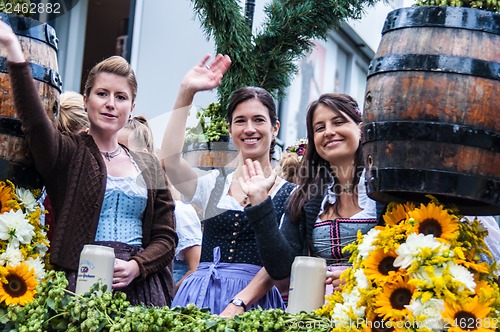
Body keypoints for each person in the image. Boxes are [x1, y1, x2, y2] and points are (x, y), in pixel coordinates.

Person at [0, 20, 177, 306]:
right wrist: (14, 52)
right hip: (80, 285)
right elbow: (34, 121)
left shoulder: (150, 165)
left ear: (131, 108)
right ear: (86, 100)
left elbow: (166, 237)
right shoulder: (68, 152)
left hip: (142, 289)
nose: (110, 103)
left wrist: (138, 265)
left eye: (121, 97)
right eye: (102, 93)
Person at [160, 54, 296, 315]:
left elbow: (281, 262)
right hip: (199, 296)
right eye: (240, 121)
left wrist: (240, 302)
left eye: (258, 120)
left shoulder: (290, 194)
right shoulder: (214, 184)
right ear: (230, 129)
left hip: (255, 304)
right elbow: (170, 161)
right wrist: (186, 93)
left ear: (275, 127)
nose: (249, 128)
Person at [240, 93, 379, 290]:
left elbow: (412, 254)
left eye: (338, 122)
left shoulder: (386, 190)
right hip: (317, 314)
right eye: (319, 128)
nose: (329, 132)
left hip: (381, 311)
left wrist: (363, 276)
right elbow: (280, 268)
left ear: (360, 128)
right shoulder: (305, 198)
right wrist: (260, 202)